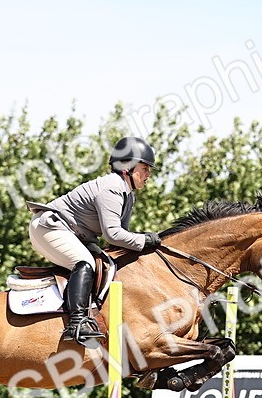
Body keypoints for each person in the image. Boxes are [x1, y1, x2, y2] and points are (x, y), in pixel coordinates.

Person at [28, 136, 163, 343]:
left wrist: (144, 242)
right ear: (128, 166)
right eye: (145, 168)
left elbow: (119, 239)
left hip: (72, 232)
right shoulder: (112, 187)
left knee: (105, 264)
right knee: (85, 263)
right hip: (49, 227)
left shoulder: (128, 195)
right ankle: (77, 324)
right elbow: (113, 234)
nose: (148, 174)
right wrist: (146, 240)